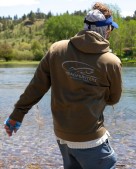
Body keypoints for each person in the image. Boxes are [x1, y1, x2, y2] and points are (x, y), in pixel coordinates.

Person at [3, 2, 122, 169]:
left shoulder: (56, 50)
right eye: (111, 29)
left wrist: (16, 115)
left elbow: (36, 87)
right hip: (91, 139)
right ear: (107, 29)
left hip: (62, 136)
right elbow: (113, 99)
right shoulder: (111, 62)